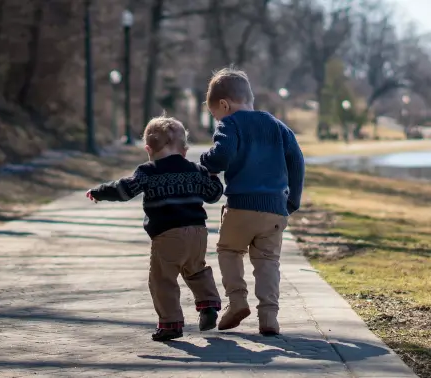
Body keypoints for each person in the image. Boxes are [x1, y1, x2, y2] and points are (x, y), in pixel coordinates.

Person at [86, 116, 224, 342]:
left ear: (148, 149)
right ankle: (208, 305)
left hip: (168, 235)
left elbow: (124, 190)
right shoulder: (195, 170)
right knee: (196, 270)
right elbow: (213, 195)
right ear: (184, 150)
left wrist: (100, 192)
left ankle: (171, 323)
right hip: (198, 233)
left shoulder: (148, 171)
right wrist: (213, 177)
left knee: (162, 279)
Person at [200, 67, 305, 336]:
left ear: (224, 105)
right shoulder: (278, 126)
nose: (217, 119)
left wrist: (206, 161)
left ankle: (237, 301)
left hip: (241, 207)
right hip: (274, 209)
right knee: (268, 261)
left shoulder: (230, 124)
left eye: (215, 115)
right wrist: (292, 201)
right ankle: (269, 317)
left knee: (229, 251)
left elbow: (221, 156)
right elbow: (297, 161)